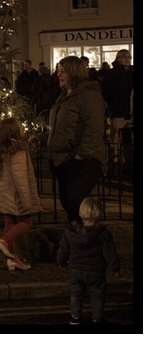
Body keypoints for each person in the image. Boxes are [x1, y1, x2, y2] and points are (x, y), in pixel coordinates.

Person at [47, 56, 107, 223]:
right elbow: (61, 126)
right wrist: (43, 138)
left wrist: (83, 153)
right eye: (58, 71)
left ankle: (85, 234)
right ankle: (75, 234)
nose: (59, 75)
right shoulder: (64, 97)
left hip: (82, 161)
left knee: (76, 202)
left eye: (63, 71)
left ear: (74, 73)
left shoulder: (88, 96)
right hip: (63, 160)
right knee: (67, 202)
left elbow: (94, 127)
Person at [0, 117, 44, 271]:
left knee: (10, 225)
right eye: (20, 126)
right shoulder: (17, 149)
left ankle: (13, 259)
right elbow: (21, 177)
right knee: (26, 222)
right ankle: (4, 241)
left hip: (6, 193)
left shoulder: (2, 149)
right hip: (16, 194)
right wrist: (27, 200)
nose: (22, 128)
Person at [57, 196, 120, 325]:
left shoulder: (71, 232)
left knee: (76, 293)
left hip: (76, 269)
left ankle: (75, 317)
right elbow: (109, 252)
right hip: (95, 270)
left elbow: (63, 249)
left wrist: (61, 262)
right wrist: (115, 267)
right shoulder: (102, 233)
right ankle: (96, 318)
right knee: (97, 294)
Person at [101, 49, 133, 170]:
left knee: (128, 138)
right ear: (118, 58)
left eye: (129, 57)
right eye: (124, 57)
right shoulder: (112, 74)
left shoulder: (131, 72)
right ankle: (115, 161)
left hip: (130, 111)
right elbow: (106, 92)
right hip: (118, 110)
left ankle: (127, 161)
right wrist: (112, 104)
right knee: (115, 138)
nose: (127, 59)